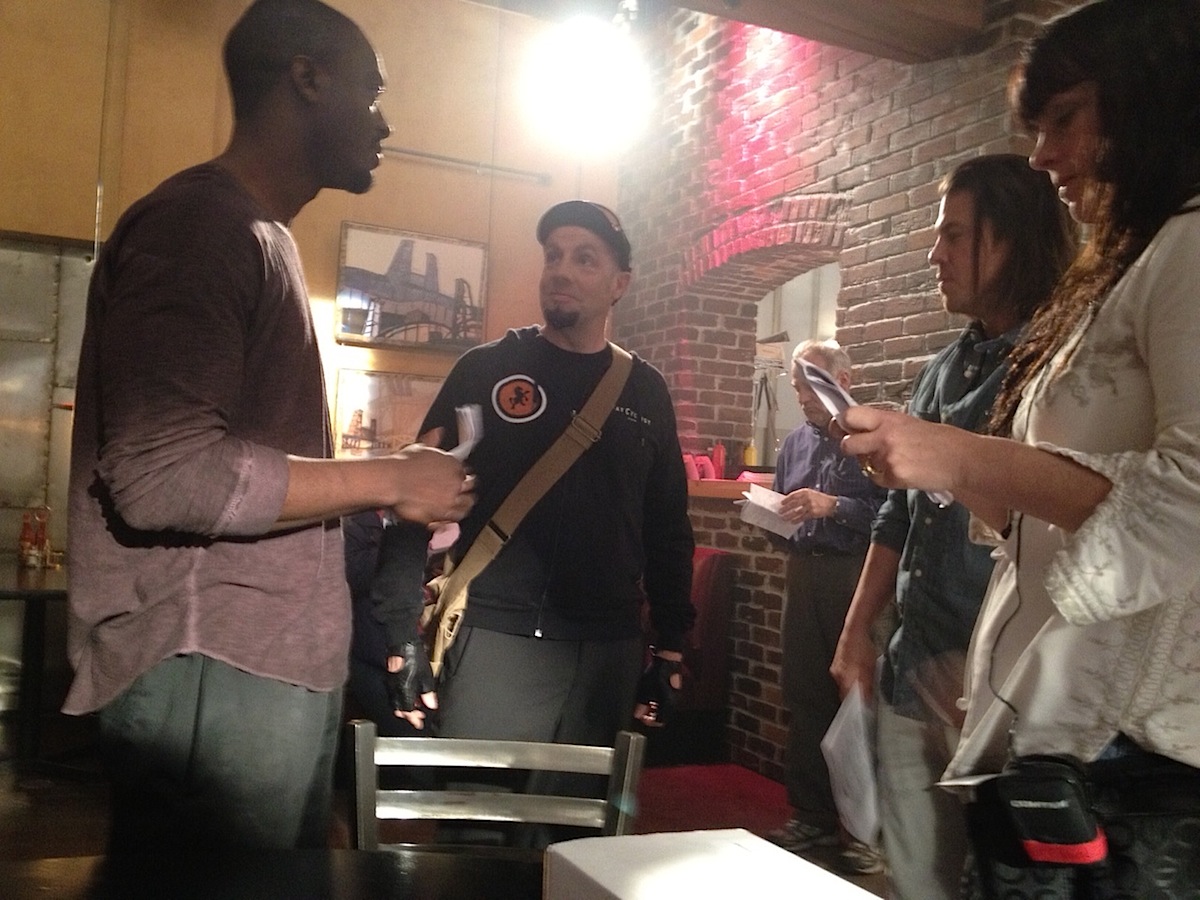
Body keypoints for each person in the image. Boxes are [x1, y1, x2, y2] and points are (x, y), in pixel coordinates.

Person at [65, 0, 474, 854]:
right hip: (211, 670)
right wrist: (390, 478)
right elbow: (162, 474)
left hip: (253, 674)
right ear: (307, 78)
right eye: (372, 93)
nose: (384, 122)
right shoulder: (201, 227)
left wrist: (384, 475)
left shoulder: (261, 235)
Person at [840, 1, 1200, 895]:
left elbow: (1190, 497)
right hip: (1068, 729)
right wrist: (933, 467)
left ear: (1153, 103)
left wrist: (957, 458)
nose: (1042, 156)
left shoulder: (1192, 245)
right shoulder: (1133, 265)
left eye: (1065, 118)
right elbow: (1048, 523)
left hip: (1139, 754)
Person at [369, 200, 695, 770]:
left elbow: (668, 528)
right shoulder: (485, 369)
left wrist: (670, 646)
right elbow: (409, 502)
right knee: (476, 817)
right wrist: (400, 633)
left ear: (619, 284)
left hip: (607, 652)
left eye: (585, 259)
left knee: (584, 823)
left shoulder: (645, 391)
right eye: (554, 256)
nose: (562, 270)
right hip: (495, 639)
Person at [829, 154, 1075, 899]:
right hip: (915, 664)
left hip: (1008, 688)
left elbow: (1072, 528)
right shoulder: (942, 369)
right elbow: (897, 515)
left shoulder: (1062, 364)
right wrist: (857, 632)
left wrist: (984, 665)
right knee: (915, 881)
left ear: (1013, 239)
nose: (935, 254)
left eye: (955, 236)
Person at [764, 339, 887, 876]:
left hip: (856, 575)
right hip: (803, 572)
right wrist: (770, 516)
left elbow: (893, 515)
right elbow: (783, 505)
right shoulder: (794, 443)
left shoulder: (872, 437)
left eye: (810, 384)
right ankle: (812, 816)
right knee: (804, 695)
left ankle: (866, 832)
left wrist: (833, 505)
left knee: (858, 701)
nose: (801, 397)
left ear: (844, 379)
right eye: (796, 387)